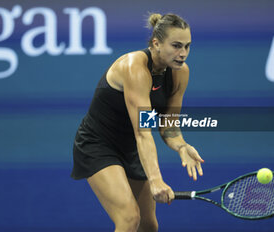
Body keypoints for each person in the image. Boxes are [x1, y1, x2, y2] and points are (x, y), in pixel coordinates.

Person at [71, 13, 204, 232]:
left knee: (148, 225)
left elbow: (168, 126)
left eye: (187, 46)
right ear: (156, 43)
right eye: (176, 46)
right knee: (129, 218)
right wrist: (156, 180)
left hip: (131, 147)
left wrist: (181, 146)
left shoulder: (180, 73)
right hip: (98, 145)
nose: (183, 54)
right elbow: (143, 131)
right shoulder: (135, 68)